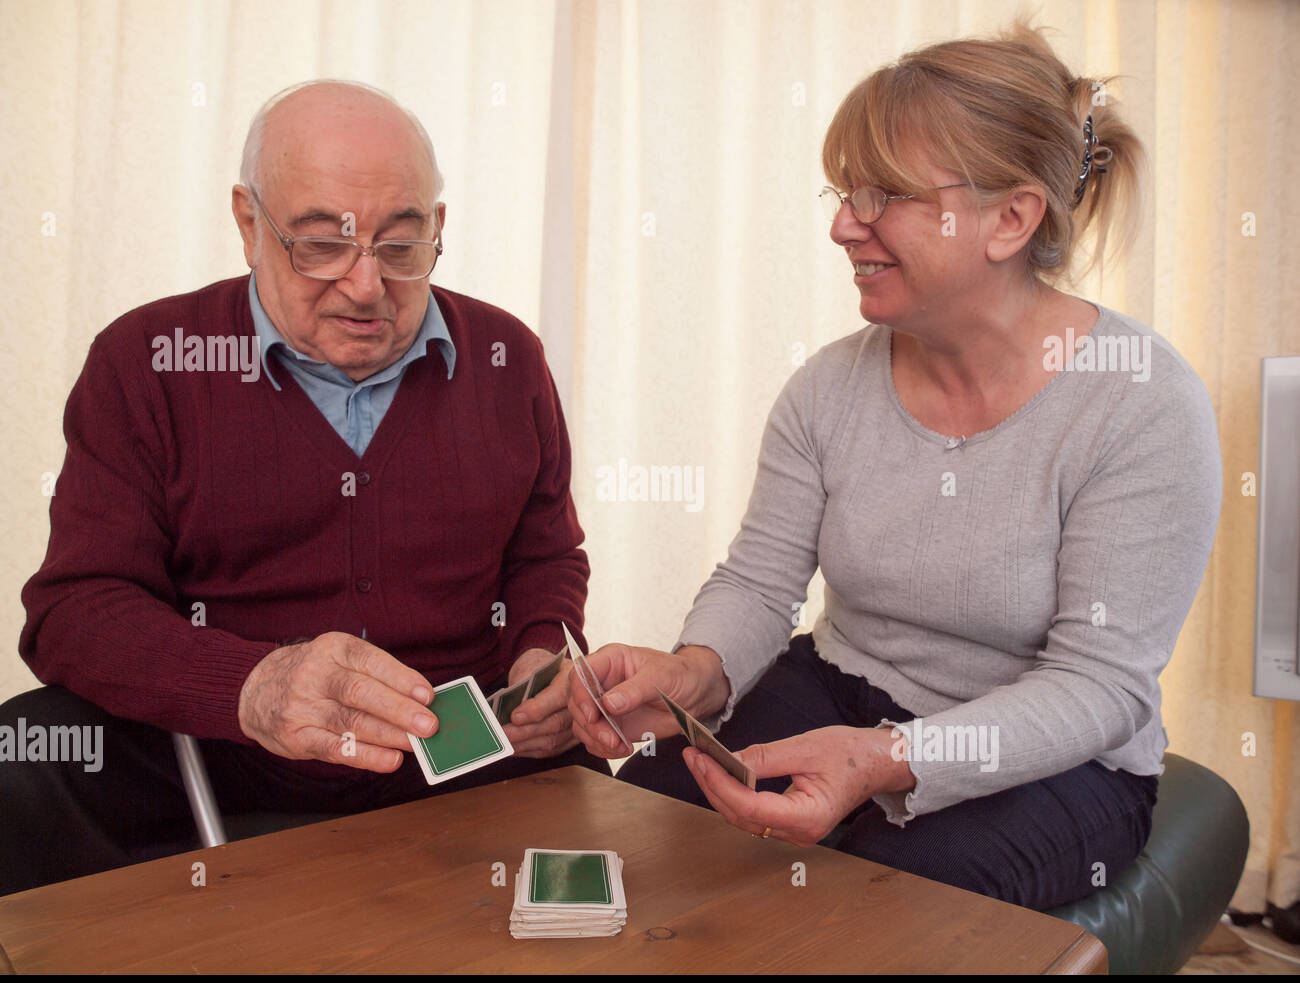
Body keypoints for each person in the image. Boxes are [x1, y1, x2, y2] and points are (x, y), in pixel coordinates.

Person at [567, 24, 1221, 911]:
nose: (844, 224)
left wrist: (885, 761)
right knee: (650, 843)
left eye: (884, 195)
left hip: (1061, 755)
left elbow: (1098, 685)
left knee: (871, 909)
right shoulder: (829, 385)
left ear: (1011, 219)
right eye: (844, 191)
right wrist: (698, 671)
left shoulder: (1142, 404)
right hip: (841, 686)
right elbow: (761, 584)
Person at [2, 80, 605, 897]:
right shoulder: (145, 360)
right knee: (26, 750)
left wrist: (541, 648)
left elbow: (546, 552)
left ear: (439, 228)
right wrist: (251, 686)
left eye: (400, 245)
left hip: (455, 758)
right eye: (321, 245)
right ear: (250, 224)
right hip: (220, 755)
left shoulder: (507, 357)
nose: (365, 287)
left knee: (645, 790)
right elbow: (75, 608)